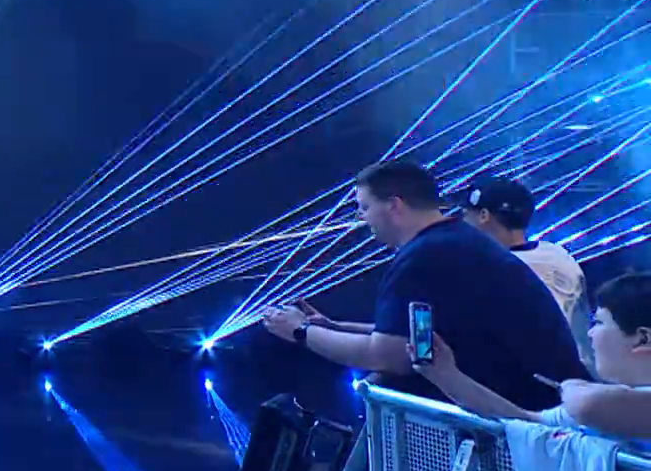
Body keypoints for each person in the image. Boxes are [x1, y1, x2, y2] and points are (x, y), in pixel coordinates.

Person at [260, 159, 585, 412]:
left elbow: (388, 356)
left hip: (530, 418)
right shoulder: (452, 241)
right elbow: (416, 338)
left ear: (394, 205)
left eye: (365, 208)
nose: (362, 219)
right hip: (544, 406)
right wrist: (336, 328)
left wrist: (301, 331)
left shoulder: (426, 256)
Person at [417, 272, 651, 439]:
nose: (590, 333)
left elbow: (587, 406)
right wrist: (446, 375)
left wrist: (574, 388)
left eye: (598, 323)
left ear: (642, 338)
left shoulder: (595, 400)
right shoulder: (611, 399)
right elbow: (527, 420)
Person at [454, 175, 594, 369]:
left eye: (465, 214)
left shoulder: (497, 269)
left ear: (484, 216)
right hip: (578, 371)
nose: (463, 223)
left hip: (541, 378)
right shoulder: (557, 254)